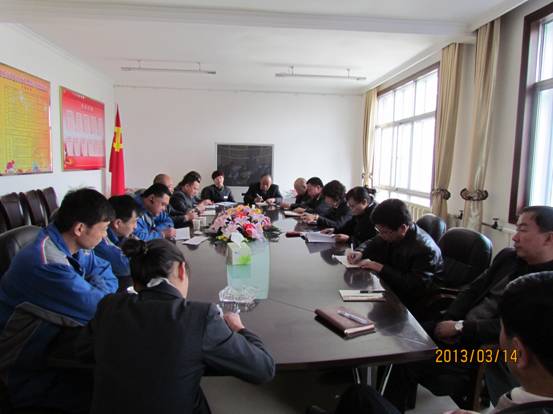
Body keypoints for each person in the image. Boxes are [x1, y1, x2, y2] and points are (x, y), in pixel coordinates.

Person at [384, 205, 553, 411]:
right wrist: (449, 320)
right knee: (401, 340)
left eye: (523, 230)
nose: (515, 237)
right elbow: (472, 290)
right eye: (516, 229)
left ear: (549, 238)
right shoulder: (508, 258)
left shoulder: (546, 284)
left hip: (488, 352)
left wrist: (461, 327)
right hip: (459, 329)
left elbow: (514, 330)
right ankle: (392, 404)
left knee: (409, 359)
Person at [79, 238, 275, 414]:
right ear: (181, 270)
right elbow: (263, 369)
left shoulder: (109, 306)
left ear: (136, 283)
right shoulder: (200, 317)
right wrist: (239, 328)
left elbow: (84, 352)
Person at [0, 188, 118, 412]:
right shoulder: (46, 264)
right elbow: (100, 308)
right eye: (103, 229)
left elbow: (106, 271)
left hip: (53, 343)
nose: (105, 237)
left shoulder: (75, 245)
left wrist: (93, 287)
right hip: (26, 371)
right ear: (80, 228)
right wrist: (95, 289)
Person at [446, 272, 553, 414]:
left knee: (440, 357)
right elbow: (472, 290)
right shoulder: (508, 262)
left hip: (483, 351)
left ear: (518, 353)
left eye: (502, 327)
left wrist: (461, 327)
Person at [347, 198, 443, 311]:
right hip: (390, 288)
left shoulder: (425, 249)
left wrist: (380, 267)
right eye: (378, 230)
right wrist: (360, 252)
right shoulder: (392, 232)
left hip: (413, 302)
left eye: (384, 232)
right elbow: (374, 241)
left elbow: (413, 285)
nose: (381, 235)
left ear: (402, 228)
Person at [94, 194, 140, 290]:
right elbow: (126, 266)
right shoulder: (100, 241)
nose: (135, 227)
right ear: (118, 223)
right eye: (134, 222)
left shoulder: (121, 237)